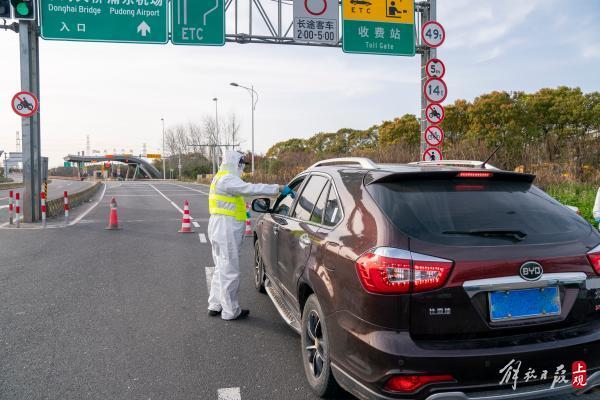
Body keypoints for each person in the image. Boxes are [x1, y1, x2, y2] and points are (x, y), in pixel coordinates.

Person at [207, 150, 294, 320]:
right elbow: (250, 189)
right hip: (225, 227)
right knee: (229, 270)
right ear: (234, 162)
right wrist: (278, 188)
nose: (243, 167)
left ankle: (215, 304)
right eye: (241, 163)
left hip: (220, 226)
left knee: (221, 267)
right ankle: (230, 311)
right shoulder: (227, 179)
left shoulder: (220, 177)